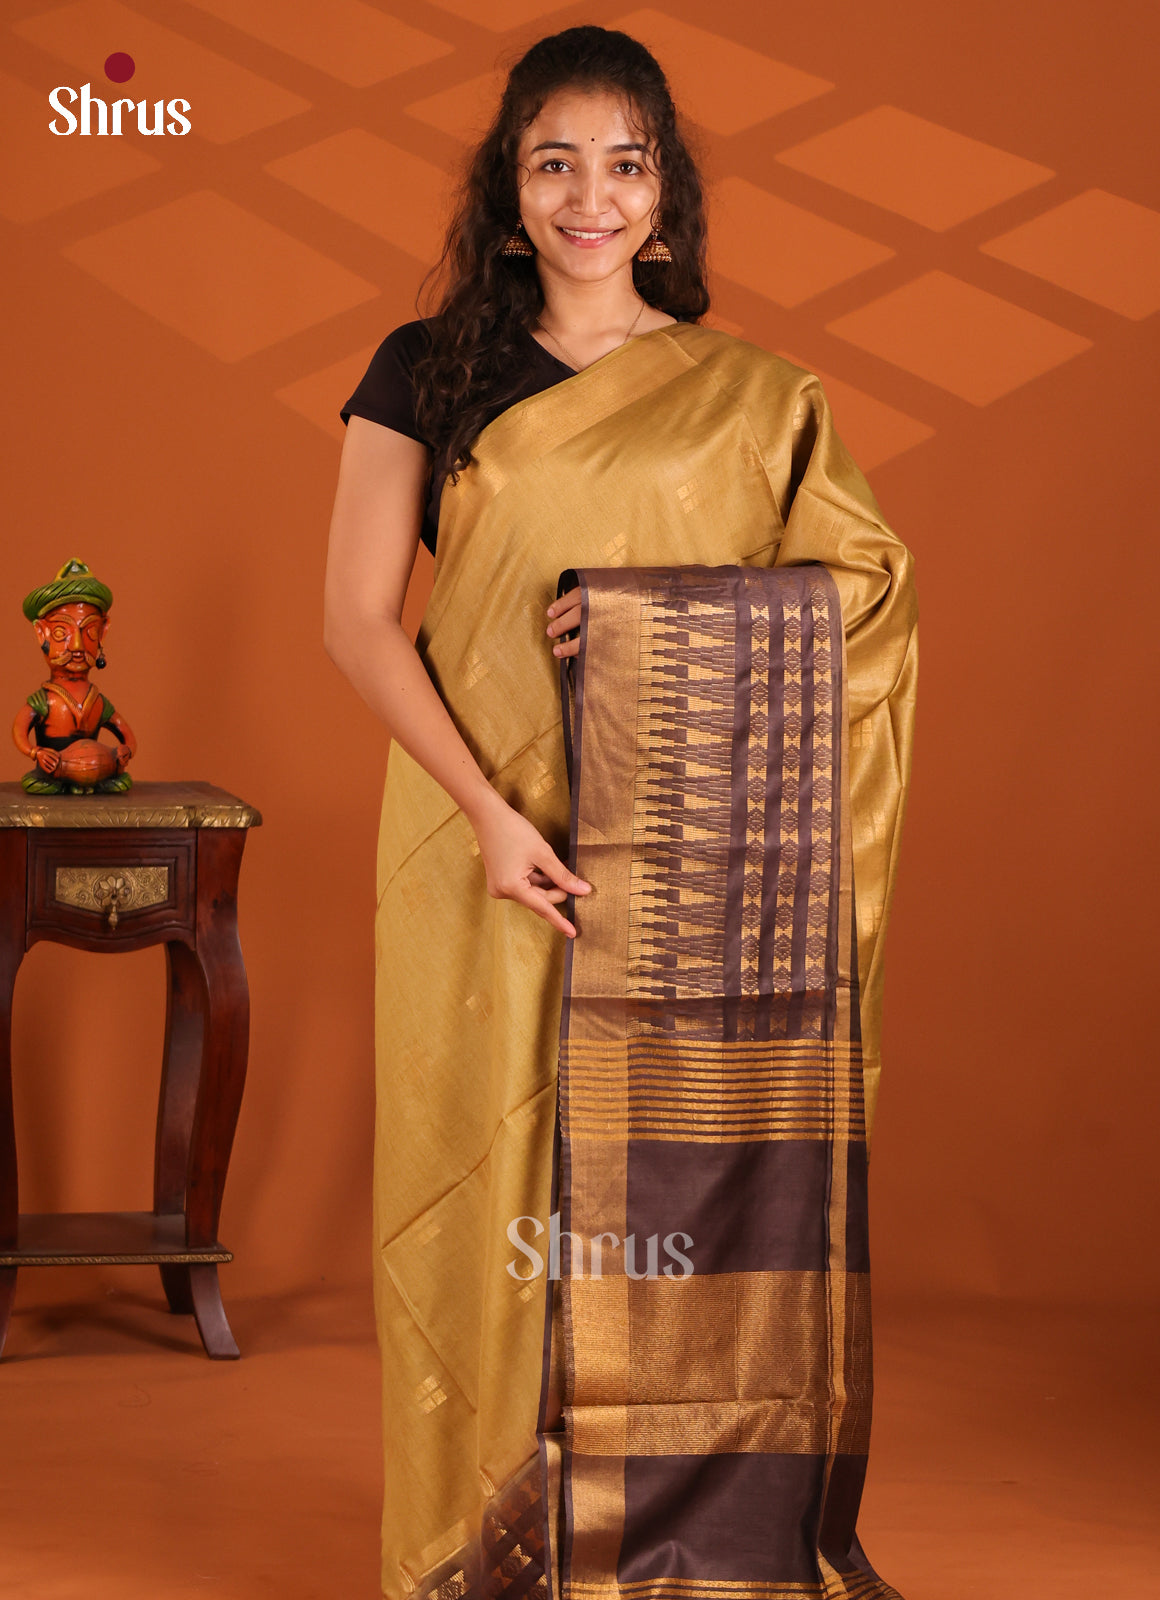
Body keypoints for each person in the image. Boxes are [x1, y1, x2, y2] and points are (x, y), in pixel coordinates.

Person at [325, 25, 917, 1600]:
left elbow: (866, 600)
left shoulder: (755, 397)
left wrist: (662, 617)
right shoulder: (426, 368)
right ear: (509, 191)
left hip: (689, 857)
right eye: (556, 163)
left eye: (625, 164)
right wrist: (486, 815)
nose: (591, 196)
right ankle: (494, 1537)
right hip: (477, 835)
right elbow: (359, 623)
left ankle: (672, 1528)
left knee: (655, 1185)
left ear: (666, 197)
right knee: (494, 1169)